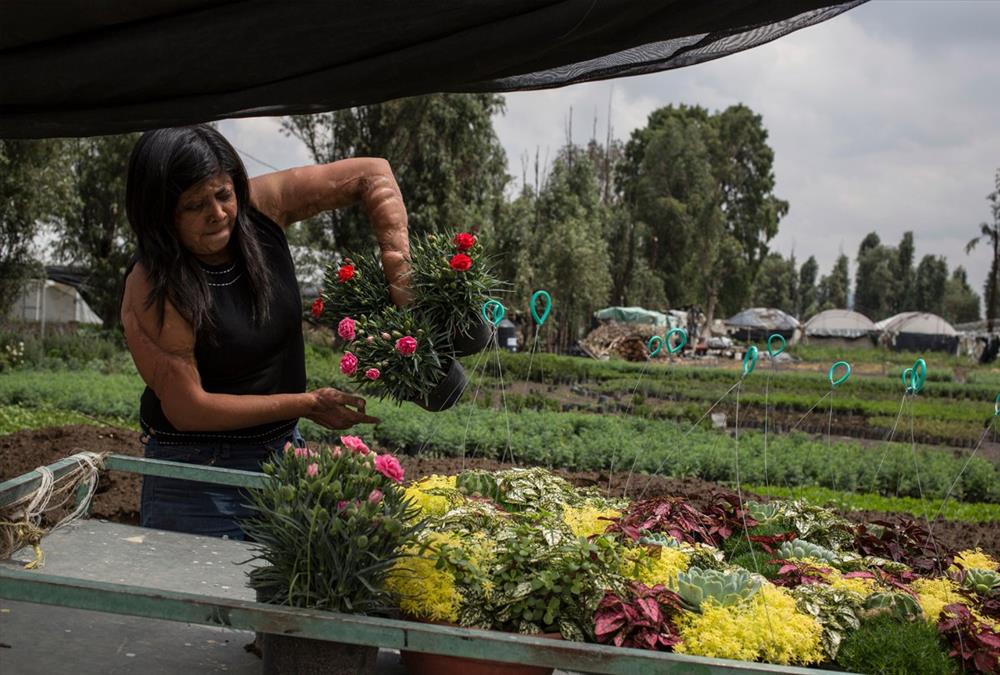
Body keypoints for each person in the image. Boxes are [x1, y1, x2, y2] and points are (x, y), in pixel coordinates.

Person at [120, 124, 411, 539]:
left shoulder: (262, 209)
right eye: (194, 205)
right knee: (207, 599)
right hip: (199, 477)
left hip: (280, 457)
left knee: (278, 599)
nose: (218, 213)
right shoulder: (153, 283)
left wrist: (400, 273)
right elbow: (188, 409)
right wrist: (305, 403)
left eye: (223, 194)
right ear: (160, 214)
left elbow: (372, 173)